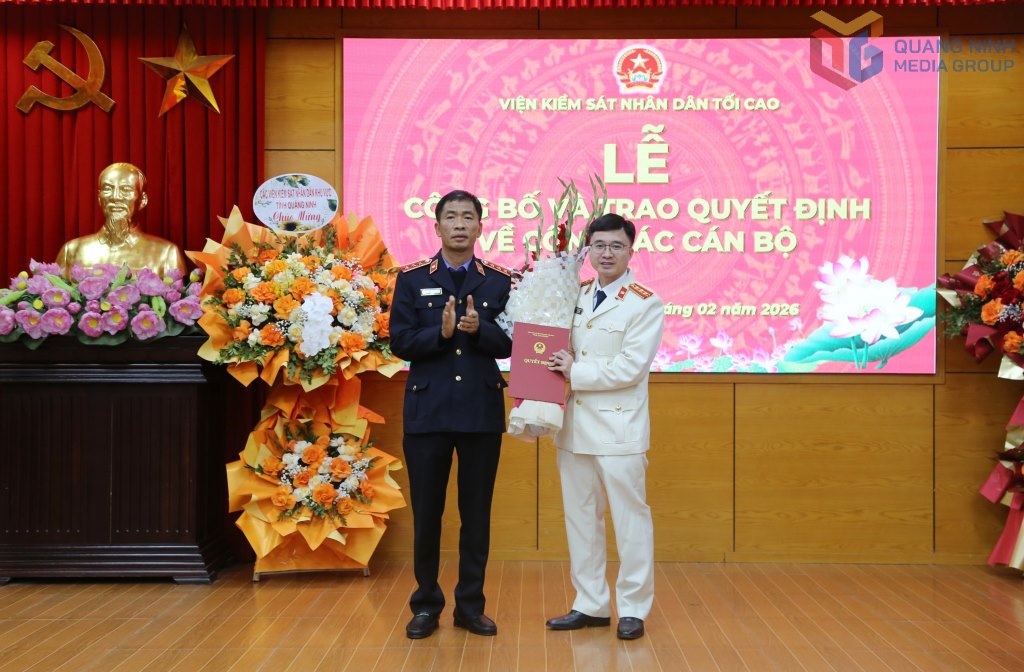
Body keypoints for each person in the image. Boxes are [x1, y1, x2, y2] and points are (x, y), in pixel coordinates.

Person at [388, 190, 513, 640]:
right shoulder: (411, 278)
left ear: (481, 227)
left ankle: (470, 606)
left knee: (476, 513)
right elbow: (398, 341)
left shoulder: (501, 281)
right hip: (428, 411)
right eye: (451, 217)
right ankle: (426, 605)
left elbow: (514, 345)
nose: (460, 224)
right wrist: (437, 335)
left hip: (480, 412)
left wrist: (484, 332)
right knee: (428, 513)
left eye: (468, 217)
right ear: (436, 226)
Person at [545, 213, 664, 641]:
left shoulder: (645, 301)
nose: (607, 253)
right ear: (588, 250)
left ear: (631, 250)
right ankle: (590, 603)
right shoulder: (573, 295)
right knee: (581, 519)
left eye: (616, 246)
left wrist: (576, 372)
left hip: (619, 431)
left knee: (630, 521)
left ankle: (633, 607)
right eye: (599, 245)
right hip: (574, 428)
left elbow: (631, 368)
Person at [55, 162, 186, 278]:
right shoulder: (71, 251)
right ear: (99, 199)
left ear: (143, 200)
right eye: (107, 189)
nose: (115, 197)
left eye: (125, 189)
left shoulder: (167, 253)